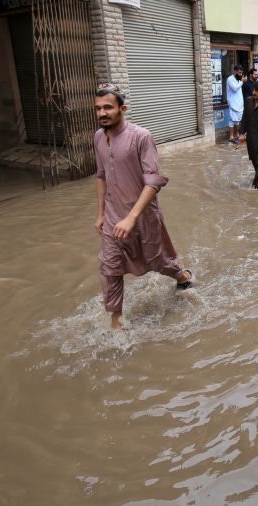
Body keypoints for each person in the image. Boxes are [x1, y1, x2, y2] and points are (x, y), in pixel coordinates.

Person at [92, 84, 193, 329]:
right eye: (98, 109)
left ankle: (182, 276)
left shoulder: (141, 137)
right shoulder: (98, 137)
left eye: (108, 107)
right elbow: (101, 176)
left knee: (158, 261)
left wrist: (131, 218)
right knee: (109, 267)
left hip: (143, 216)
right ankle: (116, 321)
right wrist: (101, 214)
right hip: (113, 218)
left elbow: (153, 182)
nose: (102, 113)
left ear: (122, 108)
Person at [226, 65, 247, 143]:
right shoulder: (230, 79)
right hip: (233, 103)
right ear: (234, 71)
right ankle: (231, 137)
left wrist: (241, 81)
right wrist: (242, 81)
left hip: (239, 103)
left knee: (238, 120)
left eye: (241, 73)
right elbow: (235, 88)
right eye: (239, 72)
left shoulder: (238, 79)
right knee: (232, 120)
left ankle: (237, 135)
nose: (241, 74)